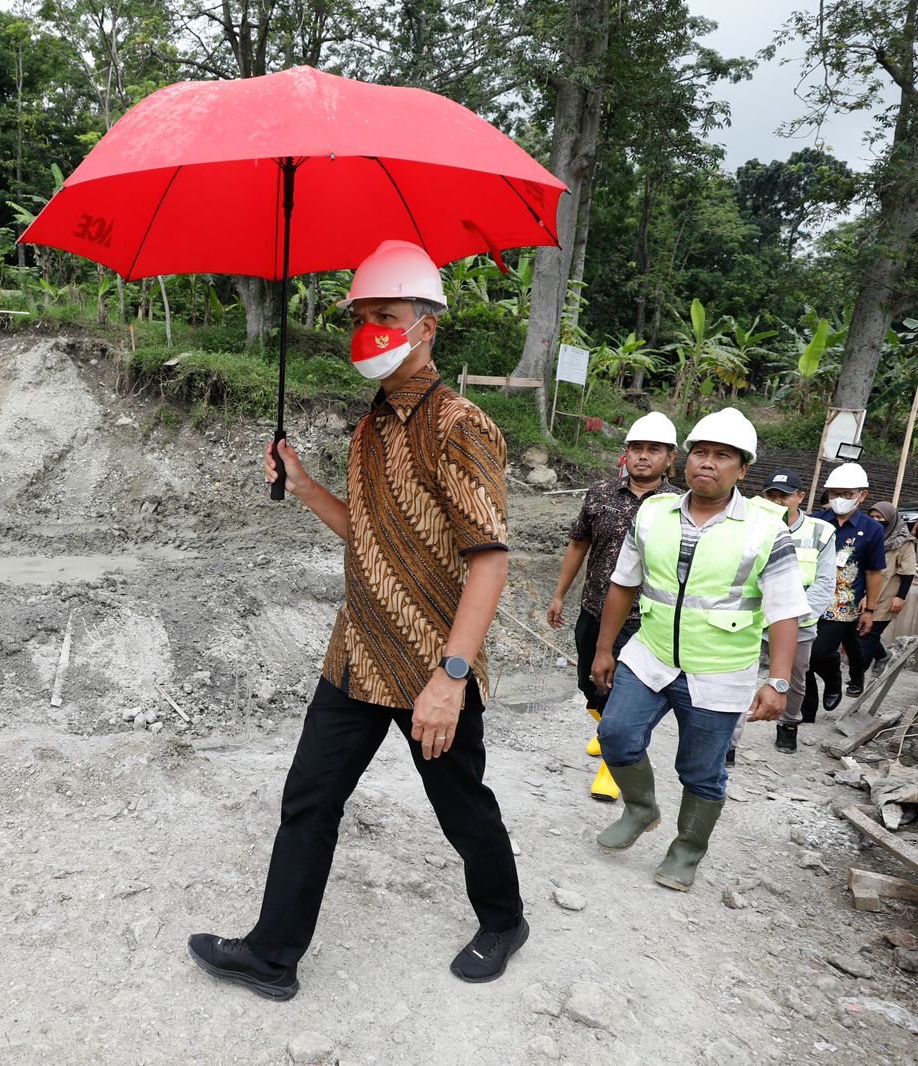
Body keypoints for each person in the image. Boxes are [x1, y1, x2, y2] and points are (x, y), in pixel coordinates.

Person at [187, 239, 525, 1000]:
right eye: (362, 316)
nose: (370, 328)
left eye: (388, 315)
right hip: (356, 653)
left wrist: (452, 676)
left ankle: (504, 919)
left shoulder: (460, 424)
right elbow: (370, 535)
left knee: (460, 803)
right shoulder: (370, 428)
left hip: (432, 664)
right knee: (310, 795)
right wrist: (305, 487)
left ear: (428, 325)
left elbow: (490, 559)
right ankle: (273, 956)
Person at [590, 408, 805, 891]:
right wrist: (605, 649)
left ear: (743, 469)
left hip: (720, 668)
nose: (707, 463)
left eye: (722, 456)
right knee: (617, 735)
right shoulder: (653, 512)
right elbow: (623, 584)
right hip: (650, 655)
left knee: (702, 771)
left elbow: (786, 610)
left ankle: (686, 850)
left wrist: (778, 681)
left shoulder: (767, 529)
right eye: (700, 453)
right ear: (685, 460)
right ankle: (642, 809)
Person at [547, 412, 677, 802]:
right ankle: (605, 727)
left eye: (653, 450)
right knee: (589, 681)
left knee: (621, 691)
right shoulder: (600, 494)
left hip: (643, 618)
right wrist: (559, 594)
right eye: (636, 448)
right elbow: (578, 544)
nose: (643, 456)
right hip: (594, 607)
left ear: (670, 458)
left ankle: (612, 766)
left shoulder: (677, 505)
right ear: (626, 454)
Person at [750, 470, 835, 754]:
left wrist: (794, 616)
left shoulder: (820, 532)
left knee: (793, 678)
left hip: (798, 622)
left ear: (800, 496)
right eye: (771, 495)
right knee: (740, 675)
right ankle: (731, 737)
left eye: (784, 496)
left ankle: (788, 725)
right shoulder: (750, 525)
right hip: (752, 618)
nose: (777, 501)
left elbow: (825, 581)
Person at [807, 464, 885, 712]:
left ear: (862, 495)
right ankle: (804, 712)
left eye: (847, 494)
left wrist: (870, 609)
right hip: (809, 598)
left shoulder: (872, 529)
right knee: (802, 656)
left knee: (818, 652)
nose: (839, 499)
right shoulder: (815, 520)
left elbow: (873, 571)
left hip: (843, 603)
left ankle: (833, 679)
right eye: (834, 493)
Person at [862, 500, 915, 676]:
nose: (876, 520)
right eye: (872, 517)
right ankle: (883, 656)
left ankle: (858, 675)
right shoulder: (868, 536)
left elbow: (907, 572)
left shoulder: (904, 541)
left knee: (870, 634)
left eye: (880, 517)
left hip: (887, 594)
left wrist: (900, 597)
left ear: (890, 518)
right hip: (864, 592)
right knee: (859, 633)